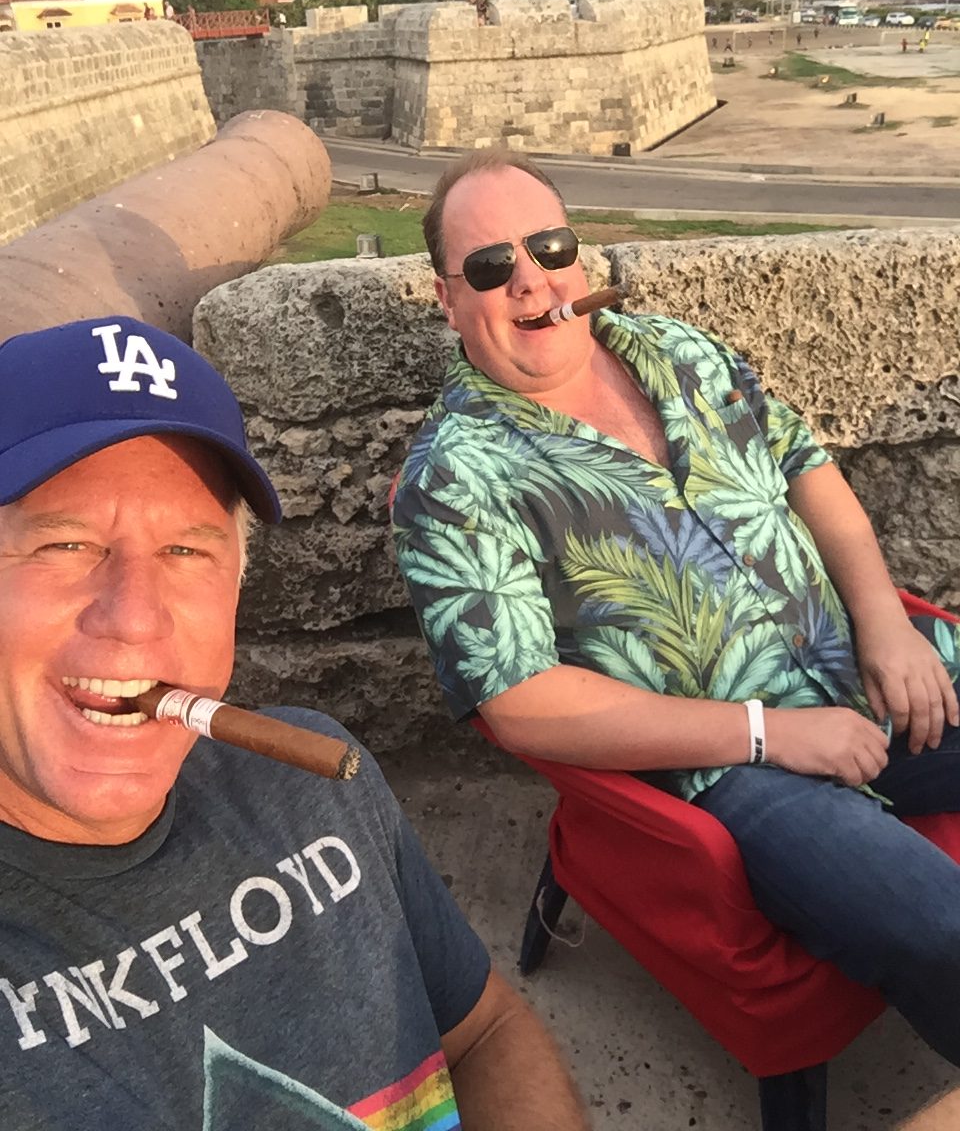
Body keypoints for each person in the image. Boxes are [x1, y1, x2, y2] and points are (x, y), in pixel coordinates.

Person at [392, 148, 960, 1070]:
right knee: (943, 929)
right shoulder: (454, 477)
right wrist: (770, 733)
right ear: (448, 299)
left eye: (549, 246)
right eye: (491, 266)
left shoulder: (676, 350)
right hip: (728, 767)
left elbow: (804, 466)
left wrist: (886, 624)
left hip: (857, 663)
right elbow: (519, 701)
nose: (531, 279)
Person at [0, 316, 587, 1130]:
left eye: (186, 552)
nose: (134, 618)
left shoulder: (315, 775)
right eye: (64, 545)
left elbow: (484, 1032)